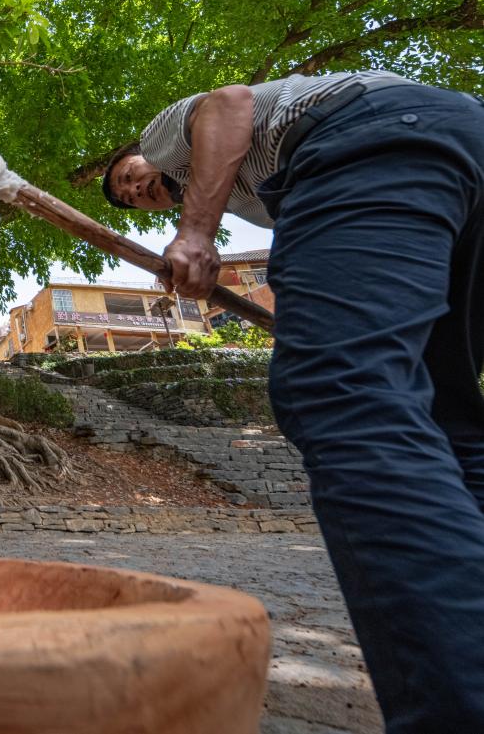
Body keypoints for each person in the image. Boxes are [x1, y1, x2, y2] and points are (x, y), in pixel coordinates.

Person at [101, 69, 484, 732]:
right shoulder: (256, 193)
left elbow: (228, 103)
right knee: (446, 423)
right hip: (459, 146)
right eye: (130, 199)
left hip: (378, 139)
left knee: (341, 389)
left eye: (128, 175)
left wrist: (195, 233)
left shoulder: (168, 137)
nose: (134, 187)